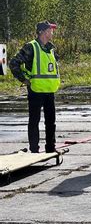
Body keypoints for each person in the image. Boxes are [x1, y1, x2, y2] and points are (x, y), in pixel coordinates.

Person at [9, 21, 60, 153]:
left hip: (49, 91)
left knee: (50, 123)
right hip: (35, 91)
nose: (52, 32)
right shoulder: (31, 47)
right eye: (50, 30)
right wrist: (23, 79)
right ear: (42, 32)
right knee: (34, 121)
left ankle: (50, 148)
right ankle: (34, 150)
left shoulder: (51, 48)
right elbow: (14, 63)